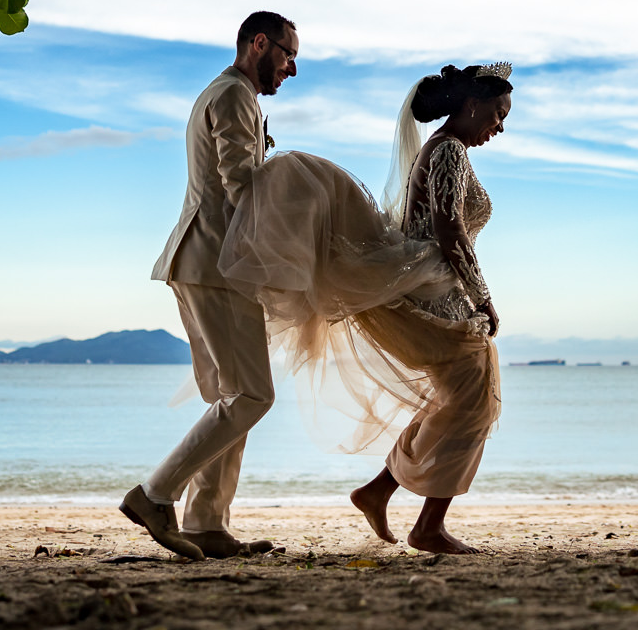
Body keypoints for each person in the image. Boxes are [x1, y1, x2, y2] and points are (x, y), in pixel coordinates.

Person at [219, 63, 512, 554]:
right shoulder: (448, 153)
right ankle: (426, 526)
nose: (498, 127)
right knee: (472, 396)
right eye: (498, 115)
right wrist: (483, 296)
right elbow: (449, 232)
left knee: (459, 396)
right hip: (434, 293)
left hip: (434, 287)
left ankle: (379, 493)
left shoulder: (445, 150)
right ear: (472, 105)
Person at [120, 11, 298, 561]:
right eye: (288, 55)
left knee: (230, 397)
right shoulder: (235, 95)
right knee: (251, 395)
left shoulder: (222, 94)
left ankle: (205, 523)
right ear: (258, 43)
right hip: (218, 264)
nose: (292, 69)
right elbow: (241, 180)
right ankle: (154, 494)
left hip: (200, 262)